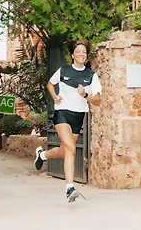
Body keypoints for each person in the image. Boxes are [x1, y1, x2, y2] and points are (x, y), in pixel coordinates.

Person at [34, 40, 101, 202]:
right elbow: (50, 84)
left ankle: (42, 155)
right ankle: (69, 188)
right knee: (71, 148)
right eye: (78, 51)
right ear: (72, 55)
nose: (81, 54)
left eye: (84, 52)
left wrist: (85, 95)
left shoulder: (91, 76)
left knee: (65, 151)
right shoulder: (63, 71)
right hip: (62, 113)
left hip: (78, 116)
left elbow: (98, 101)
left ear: (86, 56)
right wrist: (54, 96)